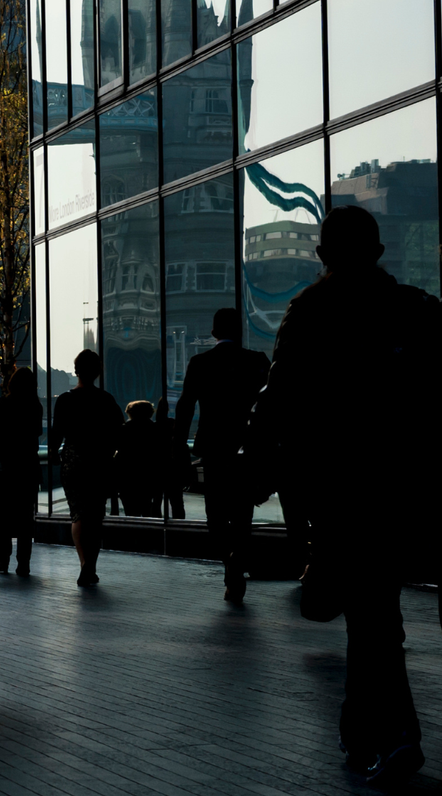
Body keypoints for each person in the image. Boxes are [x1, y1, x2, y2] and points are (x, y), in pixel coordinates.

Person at [257, 206, 437, 783]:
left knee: (371, 613)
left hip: (343, 488)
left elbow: (277, 399)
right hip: (409, 485)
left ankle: (397, 736)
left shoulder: (310, 311)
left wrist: (257, 465)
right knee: (374, 611)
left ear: (323, 254)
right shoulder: (418, 309)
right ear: (380, 250)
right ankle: (359, 730)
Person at [171, 308, 270, 602]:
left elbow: (186, 406)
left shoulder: (200, 363)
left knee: (215, 515)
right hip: (247, 448)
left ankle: (231, 564)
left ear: (214, 333)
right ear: (239, 331)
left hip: (213, 448)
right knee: (243, 514)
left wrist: (179, 447)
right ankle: (236, 563)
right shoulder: (258, 361)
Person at [49, 349, 121, 587]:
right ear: (98, 372)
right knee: (96, 514)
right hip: (99, 460)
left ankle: (84, 563)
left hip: (74, 461)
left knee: (79, 513)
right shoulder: (107, 400)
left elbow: (57, 432)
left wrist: (52, 453)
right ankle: (92, 564)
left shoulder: (65, 399)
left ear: (76, 370)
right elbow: (118, 432)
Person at [0, 367, 41, 576]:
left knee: (2, 516)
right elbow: (36, 435)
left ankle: (2, 561)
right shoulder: (35, 406)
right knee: (25, 516)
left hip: (2, 467)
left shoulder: (0, 404)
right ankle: (24, 562)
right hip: (27, 468)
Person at [112, 401, 163, 518]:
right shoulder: (156, 430)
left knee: (130, 508)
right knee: (148, 506)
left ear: (129, 413)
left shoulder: (123, 430)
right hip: (149, 473)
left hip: (126, 473)